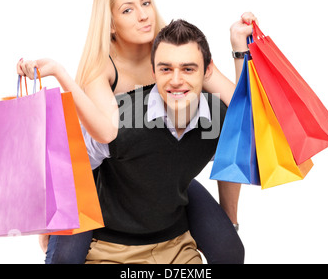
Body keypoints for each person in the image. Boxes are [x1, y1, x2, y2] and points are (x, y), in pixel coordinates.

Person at [17, 0, 256, 264]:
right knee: (63, 258)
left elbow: (242, 114)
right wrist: (60, 72)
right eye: (128, 9)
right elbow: (105, 133)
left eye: (146, 3)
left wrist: (240, 49)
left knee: (230, 249)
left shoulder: (172, 48)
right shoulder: (102, 68)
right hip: (98, 178)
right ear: (110, 24)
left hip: (164, 173)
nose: (144, 15)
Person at [84, 19, 227, 263]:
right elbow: (72, 169)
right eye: (165, 69)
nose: (175, 80)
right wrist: (53, 227)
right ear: (153, 72)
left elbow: (240, 150)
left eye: (189, 69)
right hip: (111, 247)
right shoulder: (118, 119)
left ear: (208, 70)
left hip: (174, 244)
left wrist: (240, 50)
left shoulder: (218, 117)